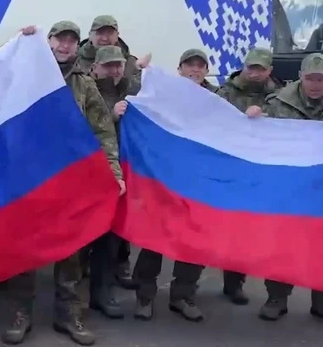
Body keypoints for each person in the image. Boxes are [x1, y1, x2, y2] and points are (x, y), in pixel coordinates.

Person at [2, 23, 124, 347]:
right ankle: (21, 313)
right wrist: (19, 40)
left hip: (71, 178)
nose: (65, 45)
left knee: (71, 250)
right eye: (60, 39)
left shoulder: (84, 84)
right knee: (26, 248)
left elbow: (103, 130)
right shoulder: (27, 75)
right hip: (32, 177)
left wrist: (113, 171)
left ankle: (68, 314)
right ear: (50, 41)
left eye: (71, 41)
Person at [125, 48, 215, 323]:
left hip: (198, 182)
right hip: (163, 178)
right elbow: (135, 96)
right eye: (189, 65)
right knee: (155, 237)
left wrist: (253, 115)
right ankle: (145, 296)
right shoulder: (164, 93)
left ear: (206, 71)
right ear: (179, 69)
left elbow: (235, 126)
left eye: (200, 66)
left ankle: (182, 296)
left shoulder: (217, 100)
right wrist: (137, 72)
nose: (194, 70)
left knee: (193, 240)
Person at [245, 52, 323, 321]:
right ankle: (277, 297)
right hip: (288, 188)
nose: (316, 85)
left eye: (321, 79)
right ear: (300, 77)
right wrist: (255, 118)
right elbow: (260, 141)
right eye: (311, 78)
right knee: (283, 244)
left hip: (320, 188)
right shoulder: (278, 103)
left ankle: (321, 298)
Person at [86, 45, 151, 319]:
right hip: (92, 172)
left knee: (110, 236)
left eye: (118, 65)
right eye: (108, 65)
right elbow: (81, 129)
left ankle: (102, 290)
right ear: (96, 67)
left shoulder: (132, 89)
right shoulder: (88, 90)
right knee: (86, 236)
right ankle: (79, 293)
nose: (114, 70)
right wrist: (111, 117)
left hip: (123, 173)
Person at [213, 48, 280, 306]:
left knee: (244, 229)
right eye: (250, 67)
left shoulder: (278, 96)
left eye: (260, 69)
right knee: (212, 224)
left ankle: (234, 283)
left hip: (260, 171)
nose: (254, 73)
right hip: (228, 168)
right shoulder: (225, 93)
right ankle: (186, 285)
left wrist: (267, 118)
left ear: (269, 70)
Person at [77, 15, 141, 95]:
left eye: (109, 33)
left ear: (117, 35)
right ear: (90, 35)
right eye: (100, 33)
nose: (105, 38)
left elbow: (143, 94)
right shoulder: (75, 63)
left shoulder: (131, 64)